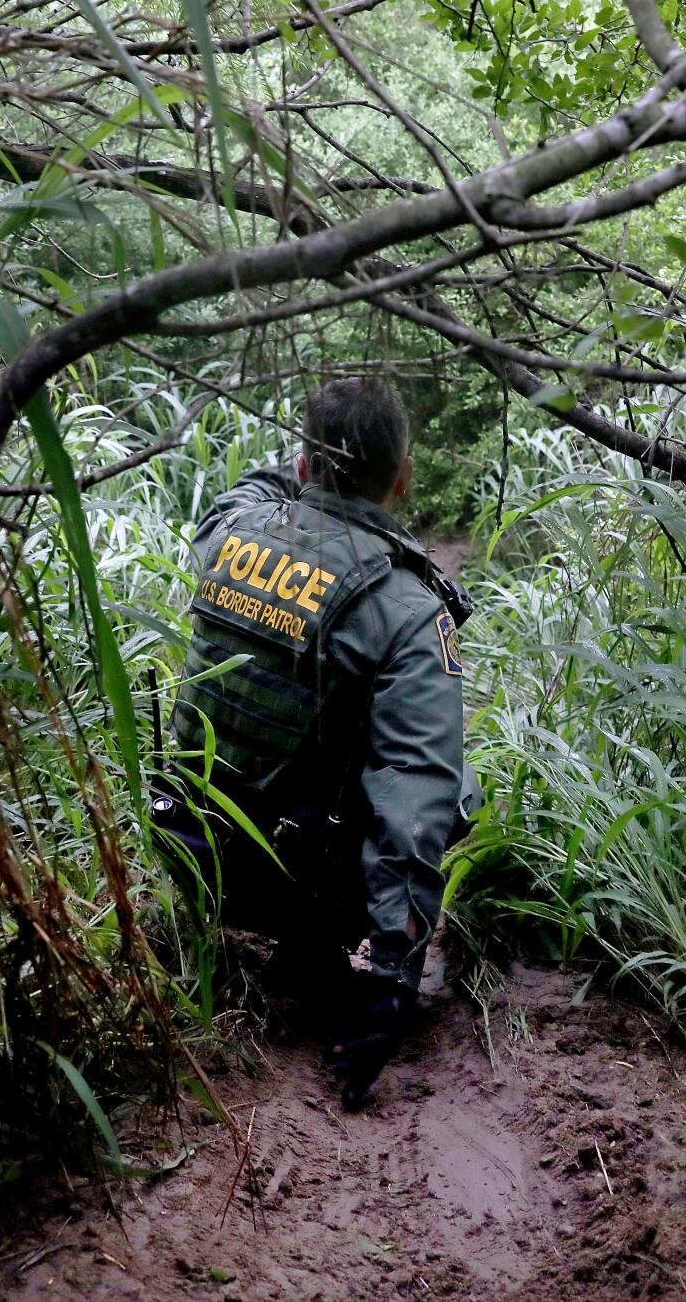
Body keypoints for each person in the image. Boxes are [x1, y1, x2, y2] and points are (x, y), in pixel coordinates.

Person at [153, 377, 476, 1110]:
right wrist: (390, 980)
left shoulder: (233, 530)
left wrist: (308, 463)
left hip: (184, 846)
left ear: (301, 466)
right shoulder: (410, 612)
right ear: (403, 478)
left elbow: (252, 483)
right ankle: (333, 944)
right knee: (454, 788)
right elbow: (414, 796)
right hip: (290, 889)